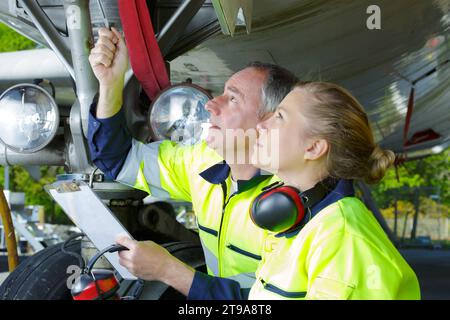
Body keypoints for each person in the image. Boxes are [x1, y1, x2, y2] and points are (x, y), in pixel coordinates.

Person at [116, 81, 421, 300]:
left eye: (280, 118)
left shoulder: (344, 242)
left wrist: (171, 272)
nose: (262, 126)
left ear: (313, 147)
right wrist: (170, 271)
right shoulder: (298, 222)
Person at [87, 27, 299, 293]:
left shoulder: (296, 202)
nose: (211, 105)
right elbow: (117, 159)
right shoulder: (203, 161)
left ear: (269, 122)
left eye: (232, 99)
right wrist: (111, 84)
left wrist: (168, 270)